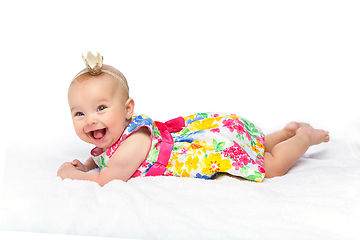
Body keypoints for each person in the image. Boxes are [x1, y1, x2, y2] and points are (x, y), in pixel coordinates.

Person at [57, 52, 330, 187]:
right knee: (255, 145)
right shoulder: (117, 135)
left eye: (101, 108)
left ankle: (304, 138)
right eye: (79, 113)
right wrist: (88, 162)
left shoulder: (134, 142)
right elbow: (104, 157)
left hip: (203, 151)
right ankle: (283, 134)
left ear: (128, 108)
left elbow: (107, 179)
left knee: (269, 166)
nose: (90, 120)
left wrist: (71, 176)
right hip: (206, 136)